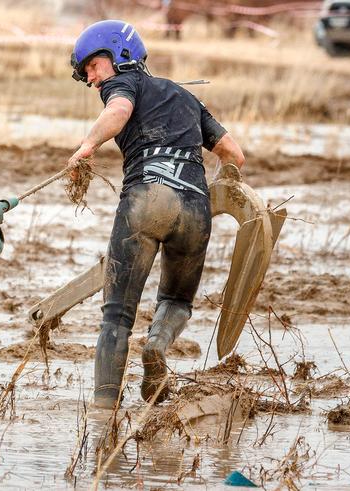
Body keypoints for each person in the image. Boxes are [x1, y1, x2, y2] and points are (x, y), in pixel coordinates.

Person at [67, 20, 245, 408]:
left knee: (116, 316)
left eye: (94, 66)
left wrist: (88, 145)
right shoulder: (187, 98)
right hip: (196, 209)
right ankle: (158, 345)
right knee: (178, 302)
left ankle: (102, 414)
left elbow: (119, 110)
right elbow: (234, 155)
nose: (92, 78)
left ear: (119, 55)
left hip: (148, 198)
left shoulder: (124, 84)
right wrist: (209, 189)